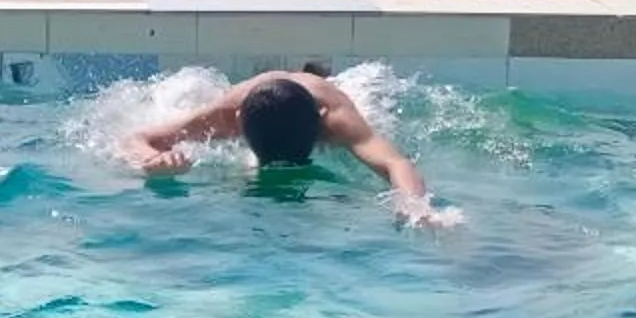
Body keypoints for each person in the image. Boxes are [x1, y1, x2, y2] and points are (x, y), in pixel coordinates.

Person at [123, 70, 455, 226]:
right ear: (238, 123)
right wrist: (155, 160)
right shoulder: (224, 115)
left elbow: (396, 163)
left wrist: (416, 207)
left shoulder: (336, 119)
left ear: (321, 126)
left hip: (312, 97)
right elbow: (135, 139)